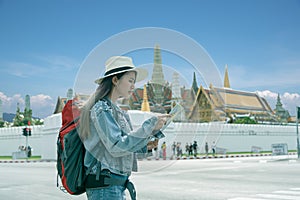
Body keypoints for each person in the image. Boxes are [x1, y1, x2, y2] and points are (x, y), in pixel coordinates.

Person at [79, 56, 169, 200]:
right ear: (115, 80)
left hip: (116, 186)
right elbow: (116, 146)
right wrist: (150, 124)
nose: (133, 86)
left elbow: (124, 145)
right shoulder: (101, 109)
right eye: (130, 81)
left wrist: (145, 145)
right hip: (105, 187)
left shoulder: (118, 111)